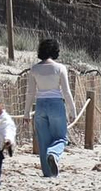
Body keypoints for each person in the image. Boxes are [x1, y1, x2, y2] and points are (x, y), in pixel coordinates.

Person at [26, 38, 77, 177]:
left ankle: (48, 174)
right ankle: (54, 154)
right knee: (60, 138)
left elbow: (30, 92)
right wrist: (73, 110)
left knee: (43, 140)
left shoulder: (34, 69)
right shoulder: (60, 68)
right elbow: (66, 92)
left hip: (40, 105)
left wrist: (26, 113)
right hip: (56, 104)